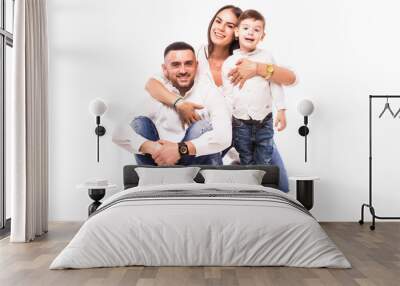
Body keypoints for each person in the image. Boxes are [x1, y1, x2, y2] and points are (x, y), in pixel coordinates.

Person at [145, 5, 296, 192]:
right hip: (208, 132)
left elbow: (290, 78)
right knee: (208, 172)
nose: (220, 28)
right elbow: (152, 84)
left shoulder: (248, 58)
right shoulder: (196, 57)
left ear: (237, 31)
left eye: (229, 25)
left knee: (281, 185)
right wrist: (179, 103)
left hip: (248, 128)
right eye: (218, 21)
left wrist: (258, 68)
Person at [113, 42, 231, 166]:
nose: (183, 70)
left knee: (203, 126)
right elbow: (118, 132)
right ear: (165, 69)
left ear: (197, 66)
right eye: (175, 65)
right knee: (139, 124)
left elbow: (224, 136)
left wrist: (179, 150)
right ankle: (156, 179)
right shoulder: (158, 93)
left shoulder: (209, 91)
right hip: (157, 164)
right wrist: (155, 149)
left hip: (195, 166)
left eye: (188, 64)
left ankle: (192, 181)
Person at [222, 9, 286, 166]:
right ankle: (248, 186)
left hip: (264, 120)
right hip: (240, 121)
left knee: (264, 157)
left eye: (256, 29)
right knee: (245, 158)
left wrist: (281, 110)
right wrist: (226, 120)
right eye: (245, 28)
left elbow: (275, 84)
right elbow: (228, 94)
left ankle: (260, 187)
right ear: (237, 32)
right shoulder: (230, 62)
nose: (250, 32)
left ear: (262, 36)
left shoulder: (266, 57)